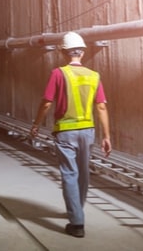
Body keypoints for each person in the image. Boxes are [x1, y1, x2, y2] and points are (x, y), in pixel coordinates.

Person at [29, 32, 111, 239]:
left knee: (69, 174)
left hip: (66, 131)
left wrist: (36, 124)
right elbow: (101, 107)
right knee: (83, 173)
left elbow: (47, 102)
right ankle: (77, 211)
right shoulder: (94, 75)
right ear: (82, 52)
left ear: (63, 52)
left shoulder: (59, 73)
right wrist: (107, 136)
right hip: (88, 131)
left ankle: (76, 223)